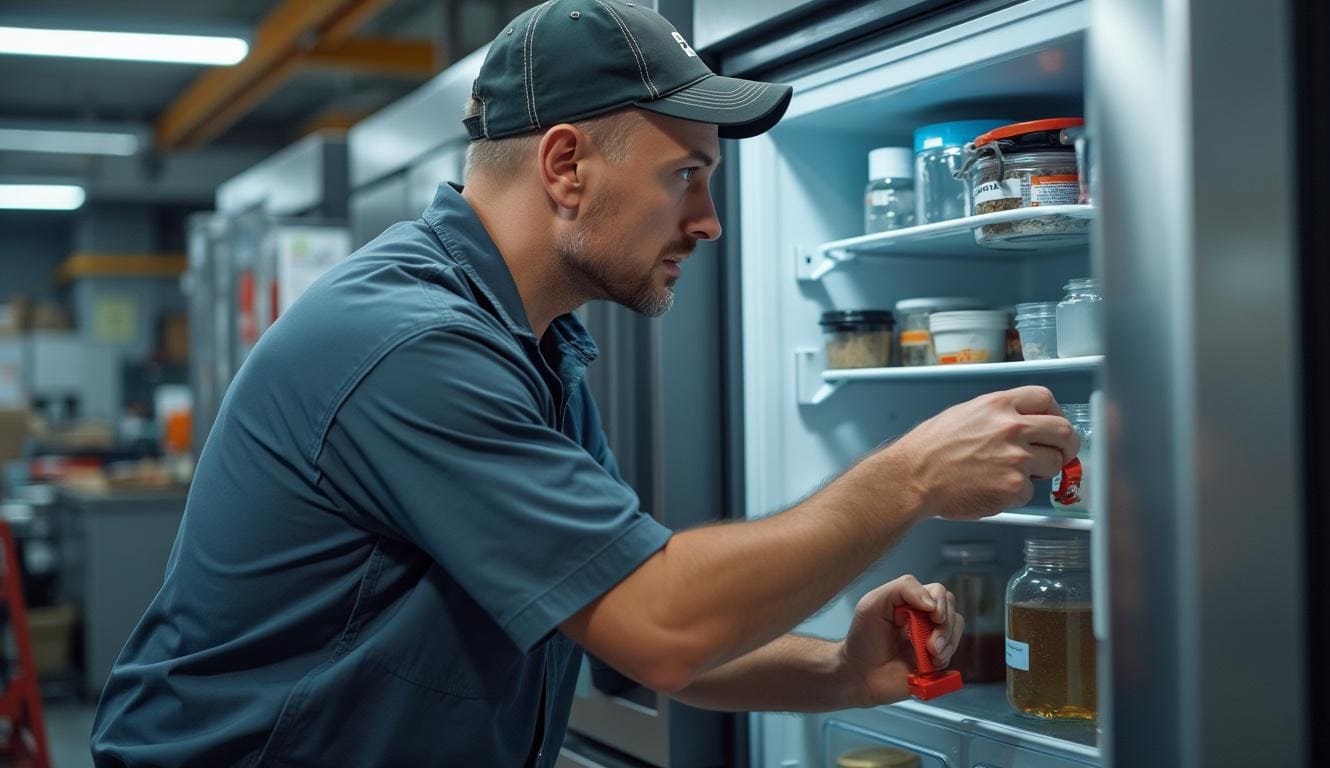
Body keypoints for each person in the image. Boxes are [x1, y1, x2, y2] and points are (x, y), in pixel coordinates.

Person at [91, 2, 1079, 766]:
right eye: (684, 177)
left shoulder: (533, 347)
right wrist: (905, 477)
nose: (709, 222)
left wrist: (836, 670)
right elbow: (659, 624)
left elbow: (610, 620)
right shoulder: (409, 345)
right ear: (566, 166)